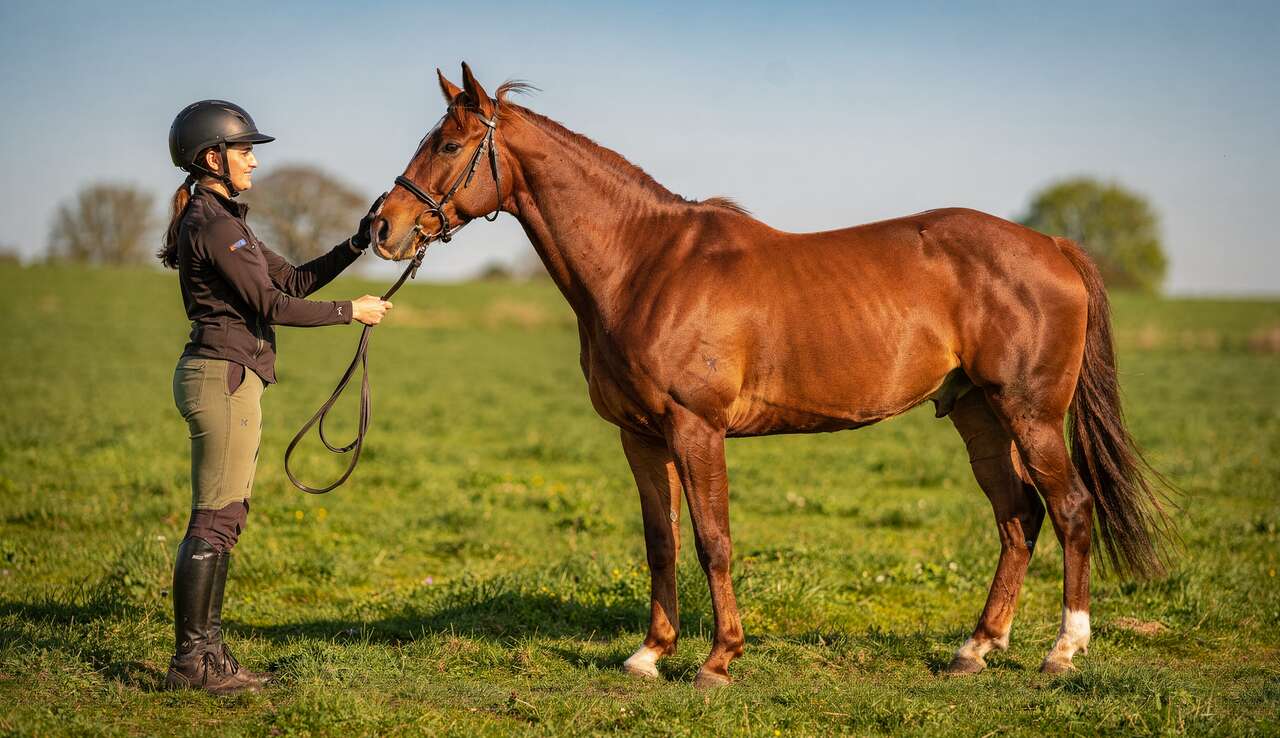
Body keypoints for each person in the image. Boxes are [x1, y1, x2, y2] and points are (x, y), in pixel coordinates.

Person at [158, 100, 391, 694]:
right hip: (222, 379)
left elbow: (291, 281)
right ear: (213, 157)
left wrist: (357, 243)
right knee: (214, 518)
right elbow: (272, 307)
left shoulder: (225, 221)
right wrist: (352, 312)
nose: (254, 162)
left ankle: (207, 656)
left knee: (225, 515)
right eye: (245, 151)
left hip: (230, 377)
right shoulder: (212, 224)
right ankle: (194, 663)